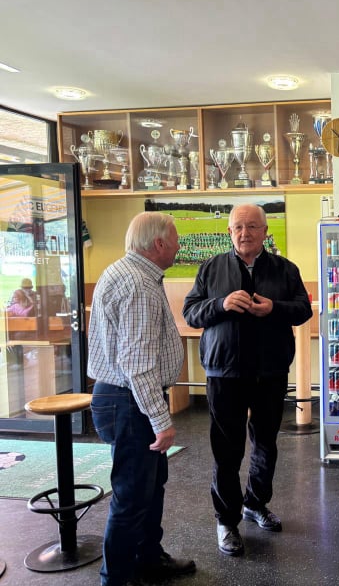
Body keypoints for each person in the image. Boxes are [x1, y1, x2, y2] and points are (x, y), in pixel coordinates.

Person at [183, 203, 312, 557]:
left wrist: (274, 308)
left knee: (266, 443)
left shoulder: (285, 269)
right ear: (229, 232)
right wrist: (221, 304)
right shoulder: (210, 268)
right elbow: (191, 312)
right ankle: (226, 520)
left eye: (253, 226)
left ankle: (255, 503)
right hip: (224, 372)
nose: (245, 233)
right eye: (238, 227)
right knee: (227, 450)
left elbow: (303, 309)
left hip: (270, 371)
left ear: (265, 232)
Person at [88, 212, 196, 586]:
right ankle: (116, 579)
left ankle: (148, 560)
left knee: (149, 488)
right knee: (132, 498)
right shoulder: (139, 286)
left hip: (120, 397)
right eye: (176, 239)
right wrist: (161, 421)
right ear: (159, 243)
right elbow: (137, 365)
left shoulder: (125, 272)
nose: (179, 246)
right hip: (128, 401)